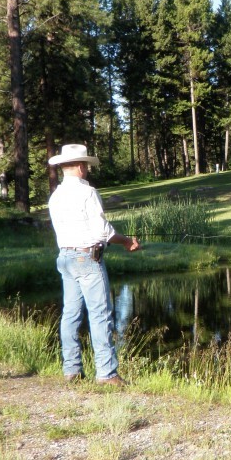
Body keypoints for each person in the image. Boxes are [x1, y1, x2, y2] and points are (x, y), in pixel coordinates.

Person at [48, 144, 141, 386]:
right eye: (86, 165)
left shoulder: (55, 196)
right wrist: (126, 242)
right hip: (88, 258)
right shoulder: (87, 193)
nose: (87, 169)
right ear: (80, 166)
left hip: (65, 258)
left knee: (71, 315)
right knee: (100, 315)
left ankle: (72, 370)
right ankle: (107, 374)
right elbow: (103, 231)